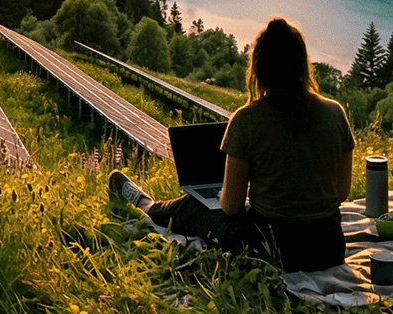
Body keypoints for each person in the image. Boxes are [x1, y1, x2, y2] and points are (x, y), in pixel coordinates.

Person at [111, 17, 355, 272]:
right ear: (302, 64)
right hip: (328, 249)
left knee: (194, 206)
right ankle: (148, 205)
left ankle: (146, 206)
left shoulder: (247, 120)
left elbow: (232, 206)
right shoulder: (335, 113)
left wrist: (235, 197)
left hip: (272, 249)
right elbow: (341, 192)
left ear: (259, 68)